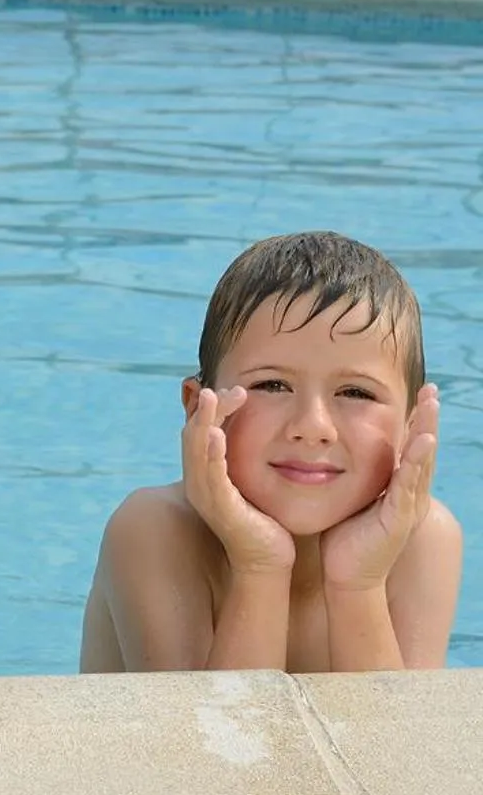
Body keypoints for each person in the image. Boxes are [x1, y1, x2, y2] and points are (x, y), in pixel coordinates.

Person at [81, 232, 461, 674]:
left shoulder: (423, 541)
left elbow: (393, 742)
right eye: (272, 385)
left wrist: (359, 583)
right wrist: (259, 566)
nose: (313, 427)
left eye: (355, 392)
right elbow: (204, 739)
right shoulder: (154, 530)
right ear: (195, 407)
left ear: (411, 425)